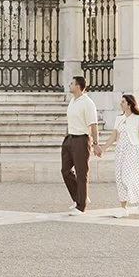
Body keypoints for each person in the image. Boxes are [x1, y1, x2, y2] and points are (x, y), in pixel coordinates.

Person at [99, 93, 139, 216]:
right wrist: (103, 149)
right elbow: (113, 137)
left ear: (129, 104)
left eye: (123, 102)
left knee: (126, 177)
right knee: (119, 178)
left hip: (133, 151)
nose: (121, 104)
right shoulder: (119, 118)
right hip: (120, 151)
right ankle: (123, 209)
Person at [61, 75, 100, 215]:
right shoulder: (72, 101)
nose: (69, 85)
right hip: (69, 139)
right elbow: (70, 120)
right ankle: (79, 196)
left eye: (71, 83)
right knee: (65, 170)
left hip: (81, 140)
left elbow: (93, 125)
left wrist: (96, 144)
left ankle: (81, 206)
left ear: (78, 86)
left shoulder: (88, 103)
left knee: (81, 172)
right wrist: (66, 136)